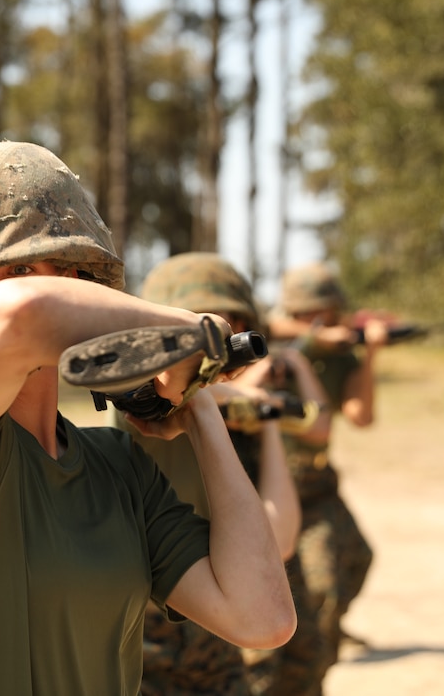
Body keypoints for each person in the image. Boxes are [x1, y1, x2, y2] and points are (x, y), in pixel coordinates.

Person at [0, 141, 296, 695]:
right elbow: (16, 317)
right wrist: (190, 332)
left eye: (23, 268)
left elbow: (261, 618)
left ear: (74, 278)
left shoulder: (117, 467)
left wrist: (197, 403)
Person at [109, 252, 301, 696]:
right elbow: (158, 391)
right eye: (197, 328)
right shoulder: (144, 401)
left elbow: (283, 538)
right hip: (140, 634)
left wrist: (265, 420)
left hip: (212, 626)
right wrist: (228, 396)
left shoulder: (236, 421)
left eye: (232, 326)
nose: (218, 342)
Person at [263, 261, 386, 685]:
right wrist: (311, 338)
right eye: (305, 314)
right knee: (320, 587)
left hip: (320, 483)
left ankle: (321, 628)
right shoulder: (273, 349)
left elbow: (360, 415)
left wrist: (369, 354)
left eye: (324, 314)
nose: (316, 322)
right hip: (281, 487)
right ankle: (309, 657)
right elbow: (268, 325)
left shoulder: (339, 358)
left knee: (360, 559)